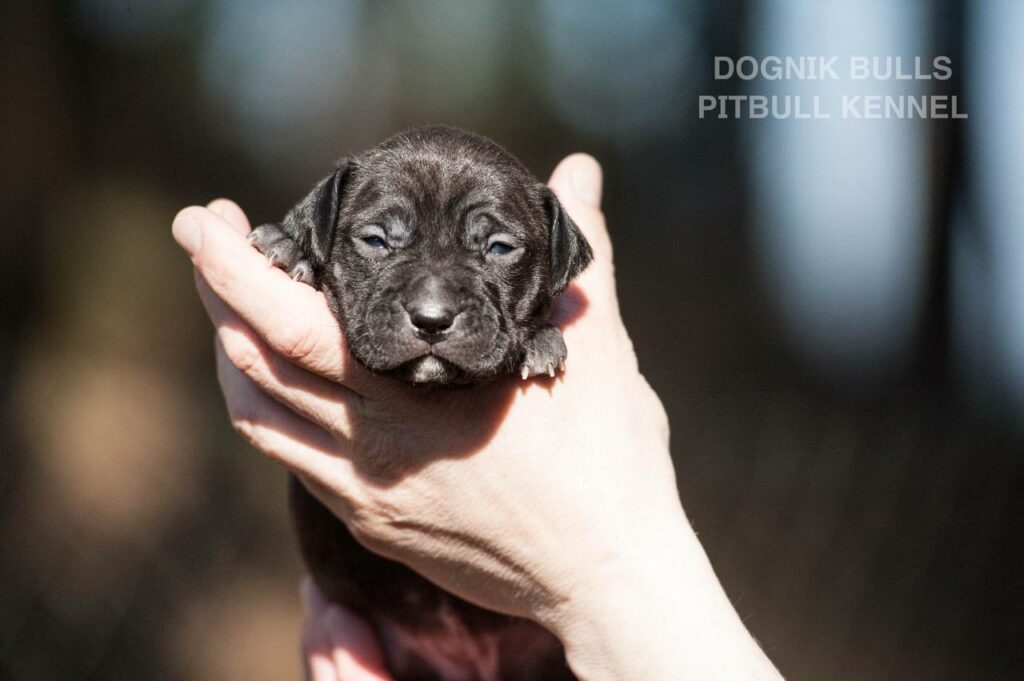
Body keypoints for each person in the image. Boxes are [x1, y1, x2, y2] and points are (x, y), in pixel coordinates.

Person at [172, 154, 785, 681]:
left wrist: (534, 334)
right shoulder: (328, 220)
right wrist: (298, 263)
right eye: (379, 241)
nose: (433, 305)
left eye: (497, 248)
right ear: (324, 232)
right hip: (383, 639)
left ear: (552, 265)